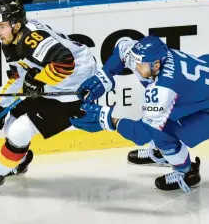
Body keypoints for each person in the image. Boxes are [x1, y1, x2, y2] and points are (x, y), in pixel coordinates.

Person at [0, 0, 97, 192]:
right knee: (11, 122)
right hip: (54, 83)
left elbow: (65, 62)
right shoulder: (10, 41)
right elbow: (18, 78)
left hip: (75, 88)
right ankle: (19, 161)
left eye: (2, 26)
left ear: (16, 25)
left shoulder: (31, 39)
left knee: (20, 130)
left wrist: (37, 81)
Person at [70, 35, 209, 192]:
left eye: (140, 65)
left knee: (162, 134)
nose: (135, 67)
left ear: (156, 65)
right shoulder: (149, 59)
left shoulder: (163, 89)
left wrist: (107, 120)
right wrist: (104, 76)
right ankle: (161, 153)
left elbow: (142, 134)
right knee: (161, 120)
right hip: (197, 89)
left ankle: (187, 173)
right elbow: (122, 50)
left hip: (205, 107)